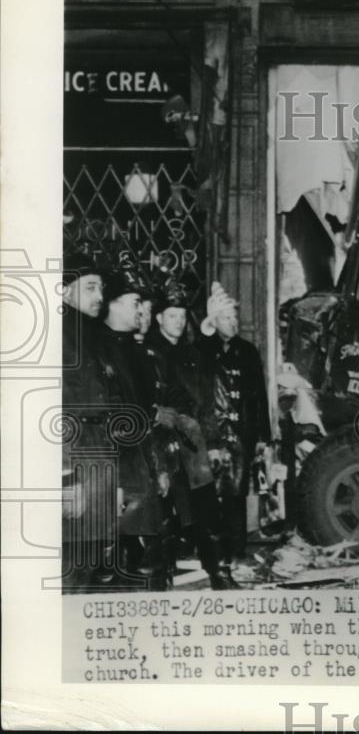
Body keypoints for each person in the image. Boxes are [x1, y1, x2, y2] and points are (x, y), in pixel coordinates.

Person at [144, 281, 238, 589]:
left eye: (182, 316)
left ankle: (220, 573)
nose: (179, 321)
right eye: (172, 316)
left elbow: (206, 400)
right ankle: (160, 580)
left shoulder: (192, 353)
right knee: (164, 514)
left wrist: (212, 442)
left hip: (193, 443)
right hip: (163, 443)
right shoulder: (148, 353)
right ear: (159, 319)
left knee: (208, 508)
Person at [94, 268, 170, 590]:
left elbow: (149, 416)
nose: (141, 310)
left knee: (147, 560)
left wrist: (160, 466)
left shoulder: (136, 351)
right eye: (134, 301)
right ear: (113, 304)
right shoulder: (94, 350)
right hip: (116, 474)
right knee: (114, 565)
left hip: (141, 471)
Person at [198, 282, 271, 564]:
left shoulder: (248, 352)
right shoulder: (203, 351)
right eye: (226, 318)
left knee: (236, 494)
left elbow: (259, 396)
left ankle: (237, 550)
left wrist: (263, 435)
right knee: (209, 495)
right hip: (213, 433)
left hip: (242, 433)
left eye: (235, 318)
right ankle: (213, 552)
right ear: (214, 321)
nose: (233, 323)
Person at [61, 250, 115, 591]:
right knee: (71, 571)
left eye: (102, 289)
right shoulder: (59, 338)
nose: (100, 297)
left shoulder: (89, 335)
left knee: (88, 562)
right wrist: (66, 479)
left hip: (96, 461)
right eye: (91, 287)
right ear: (66, 291)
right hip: (76, 462)